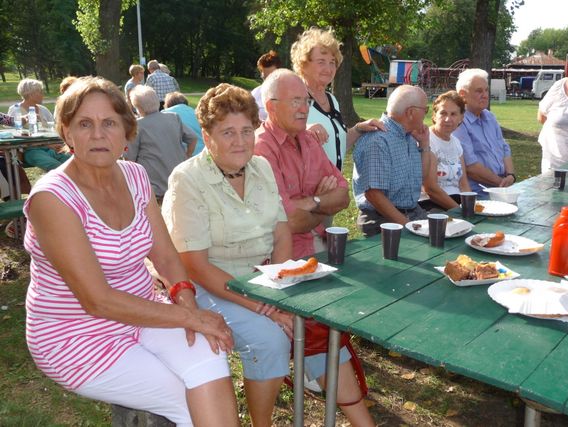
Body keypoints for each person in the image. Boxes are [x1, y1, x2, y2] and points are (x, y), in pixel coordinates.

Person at [22, 76, 240, 426]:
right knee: (186, 401)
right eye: (84, 124)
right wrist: (189, 318)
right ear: (66, 132)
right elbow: (97, 301)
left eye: (109, 123)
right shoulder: (53, 198)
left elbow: (165, 256)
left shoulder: (135, 176)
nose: (98, 134)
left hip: (145, 313)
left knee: (210, 361)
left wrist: (187, 302)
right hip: (76, 336)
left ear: (127, 131)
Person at [162, 83, 294, 427]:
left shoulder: (262, 167)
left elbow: (281, 232)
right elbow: (194, 265)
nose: (240, 141)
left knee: (316, 318)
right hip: (205, 285)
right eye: (228, 132)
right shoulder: (188, 179)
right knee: (270, 340)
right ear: (207, 137)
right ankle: (261, 423)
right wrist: (263, 306)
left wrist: (278, 288)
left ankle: (333, 388)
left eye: (247, 131)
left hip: (261, 279)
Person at [254, 69, 375, 426]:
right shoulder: (261, 147)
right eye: (295, 101)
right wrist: (317, 205)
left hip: (314, 253)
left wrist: (311, 202)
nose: (304, 108)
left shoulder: (307, 140)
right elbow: (286, 222)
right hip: (275, 261)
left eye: (305, 100)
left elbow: (342, 195)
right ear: (270, 106)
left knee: (361, 295)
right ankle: (354, 412)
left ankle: (324, 378)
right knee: (321, 326)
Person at [291, 27, 384, 171]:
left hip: (333, 184)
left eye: (332, 62)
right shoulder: (294, 99)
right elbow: (281, 139)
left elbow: (336, 145)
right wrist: (304, 130)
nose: (328, 69)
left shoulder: (331, 100)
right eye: (321, 62)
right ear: (303, 65)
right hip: (307, 184)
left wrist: (359, 129)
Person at [352, 85, 431, 237]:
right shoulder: (378, 140)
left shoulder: (407, 136)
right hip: (382, 219)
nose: (426, 114)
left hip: (412, 212)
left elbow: (422, 177)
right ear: (410, 112)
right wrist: (408, 227)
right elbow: (374, 195)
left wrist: (424, 144)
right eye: (425, 110)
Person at [126, 85, 197, 203]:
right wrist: (187, 155)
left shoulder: (137, 126)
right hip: (178, 182)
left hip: (154, 188)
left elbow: (129, 159)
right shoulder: (173, 117)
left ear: (138, 108)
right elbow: (193, 138)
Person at [452, 68, 516, 194]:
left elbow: (504, 148)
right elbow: (470, 167)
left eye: (487, 90)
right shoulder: (459, 122)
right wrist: (501, 184)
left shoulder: (489, 117)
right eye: (479, 91)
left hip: (501, 187)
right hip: (479, 192)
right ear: (463, 95)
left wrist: (510, 175)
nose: (485, 95)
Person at [420, 90, 471, 211]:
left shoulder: (456, 143)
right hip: (432, 204)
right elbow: (430, 188)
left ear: (461, 118)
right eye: (443, 113)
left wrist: (471, 206)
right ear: (434, 115)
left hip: (457, 201)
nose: (448, 119)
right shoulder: (427, 140)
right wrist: (459, 210)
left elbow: (463, 183)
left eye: (453, 114)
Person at [8, 78, 70, 171]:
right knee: (56, 167)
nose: (43, 94)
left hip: (50, 148)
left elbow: (53, 129)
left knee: (75, 163)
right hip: (30, 151)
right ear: (31, 94)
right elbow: (13, 135)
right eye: (40, 91)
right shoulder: (15, 110)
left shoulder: (43, 109)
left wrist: (54, 144)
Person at [251, 50, 282, 121]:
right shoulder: (255, 95)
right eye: (265, 78)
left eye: (272, 77)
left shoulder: (291, 94)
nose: (269, 81)